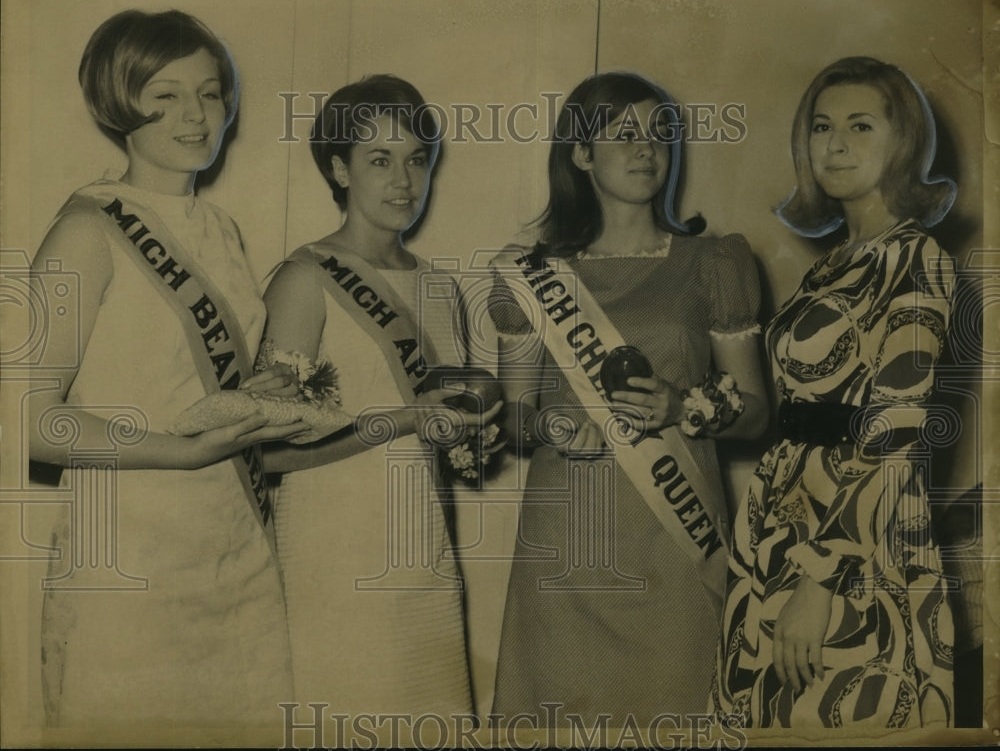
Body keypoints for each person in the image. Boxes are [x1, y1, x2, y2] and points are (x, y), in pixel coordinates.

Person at [29, 10, 309, 730]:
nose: (195, 116)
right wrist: (185, 452)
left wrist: (260, 402)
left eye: (210, 94)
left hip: (236, 547)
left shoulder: (222, 229)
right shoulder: (85, 231)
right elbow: (29, 423)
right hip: (127, 556)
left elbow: (196, 390)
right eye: (167, 94)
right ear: (119, 100)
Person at [487, 71, 769, 727]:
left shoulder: (715, 262)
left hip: (676, 547)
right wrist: (552, 422)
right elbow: (516, 418)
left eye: (658, 134)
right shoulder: (531, 274)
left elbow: (755, 412)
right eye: (623, 134)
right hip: (565, 551)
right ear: (580, 155)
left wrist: (685, 407)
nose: (647, 149)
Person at [712, 56, 957, 728]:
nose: (836, 144)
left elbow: (897, 428)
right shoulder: (833, 264)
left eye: (860, 126)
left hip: (854, 538)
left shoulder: (918, 258)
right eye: (822, 127)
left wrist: (821, 582)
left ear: (903, 141)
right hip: (779, 517)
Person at [260, 74, 501, 728]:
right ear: (339, 169)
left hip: (423, 553)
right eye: (379, 160)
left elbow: (452, 434)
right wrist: (402, 419)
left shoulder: (441, 288)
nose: (404, 180)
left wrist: (474, 441)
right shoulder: (303, 279)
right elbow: (267, 453)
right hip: (332, 558)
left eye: (416, 159)